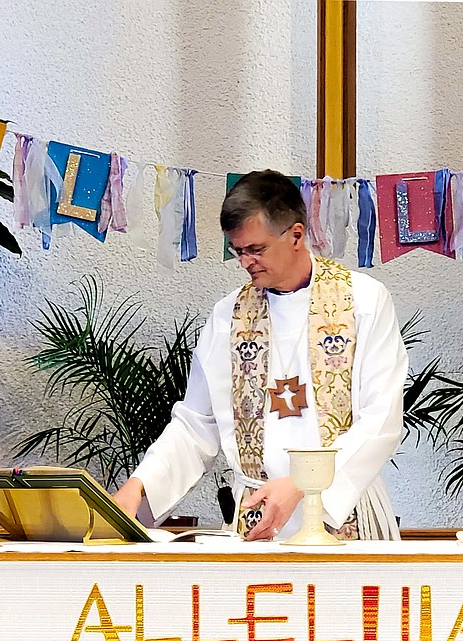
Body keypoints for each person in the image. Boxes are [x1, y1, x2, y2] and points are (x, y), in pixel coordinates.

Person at [111, 170, 407, 541]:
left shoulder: (364, 302)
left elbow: (380, 419)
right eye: (238, 251)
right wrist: (140, 486)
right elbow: (196, 424)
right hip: (256, 521)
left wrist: (303, 485)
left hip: (345, 517)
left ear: (296, 235)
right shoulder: (228, 317)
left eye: (257, 249)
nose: (246, 262)